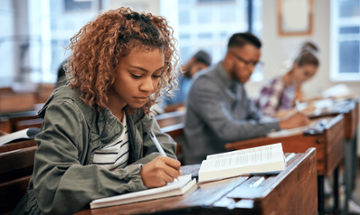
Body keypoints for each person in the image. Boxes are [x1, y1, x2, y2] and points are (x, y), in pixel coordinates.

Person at [13, 7, 181, 215]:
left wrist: (132, 175)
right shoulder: (68, 107)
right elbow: (53, 187)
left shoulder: (135, 105)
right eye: (137, 75)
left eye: (156, 75)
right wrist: (136, 176)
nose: (149, 87)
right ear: (107, 66)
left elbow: (164, 154)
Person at [183, 32, 310, 165]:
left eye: (255, 64)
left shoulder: (237, 84)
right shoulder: (204, 84)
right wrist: (282, 124)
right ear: (230, 58)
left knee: (290, 160)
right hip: (204, 165)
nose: (251, 70)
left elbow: (256, 116)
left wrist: (278, 124)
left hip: (233, 156)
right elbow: (228, 131)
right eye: (248, 63)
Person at [254, 42, 319, 118]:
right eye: (306, 73)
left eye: (312, 75)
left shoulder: (292, 85)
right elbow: (267, 115)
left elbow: (289, 107)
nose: (308, 79)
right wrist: (300, 112)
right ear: (295, 65)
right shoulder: (276, 84)